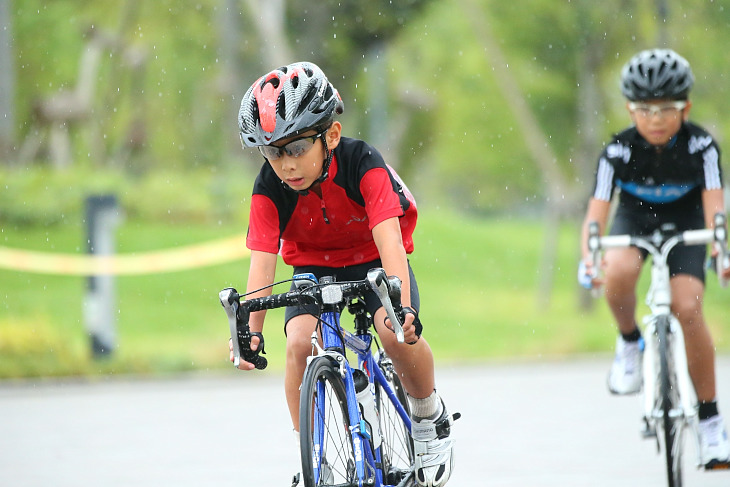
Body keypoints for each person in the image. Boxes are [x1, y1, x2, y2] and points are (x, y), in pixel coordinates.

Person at [230, 61, 457, 487]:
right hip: (313, 266)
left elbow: (390, 240)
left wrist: (401, 307)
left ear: (330, 136)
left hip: (373, 257)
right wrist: (251, 330)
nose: (286, 165)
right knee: (298, 343)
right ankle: (313, 459)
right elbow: (263, 261)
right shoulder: (269, 186)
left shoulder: (362, 162)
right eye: (273, 152)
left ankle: (430, 417)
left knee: (392, 334)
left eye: (296, 148)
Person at [578, 48, 730, 470]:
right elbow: (596, 214)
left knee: (687, 306)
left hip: (687, 220)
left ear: (687, 107)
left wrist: (721, 249)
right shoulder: (617, 151)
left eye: (667, 109)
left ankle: (711, 420)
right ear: (630, 109)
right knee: (619, 271)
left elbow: (716, 207)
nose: (656, 118)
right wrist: (588, 258)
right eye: (645, 109)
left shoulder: (702, 146)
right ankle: (630, 341)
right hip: (635, 217)